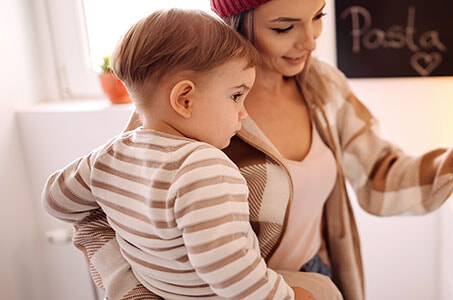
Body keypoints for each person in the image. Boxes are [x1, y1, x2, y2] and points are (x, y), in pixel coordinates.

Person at [70, 1, 453, 299]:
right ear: (235, 20)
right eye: (285, 27)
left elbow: (380, 172)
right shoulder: (187, 104)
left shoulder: (321, 85)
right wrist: (140, 295)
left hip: (313, 278)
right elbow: (97, 213)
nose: (310, 42)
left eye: (317, 17)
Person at [41, 8, 319, 299]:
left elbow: (55, 201)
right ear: (184, 99)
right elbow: (230, 271)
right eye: (236, 95)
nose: (243, 112)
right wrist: (288, 297)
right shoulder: (205, 167)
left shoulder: (109, 156)